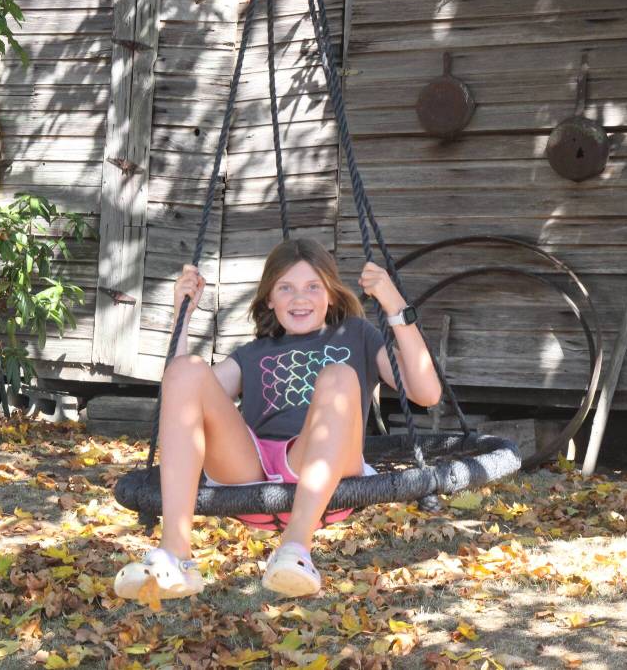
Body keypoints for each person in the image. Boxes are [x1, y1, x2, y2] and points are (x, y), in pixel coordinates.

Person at [114, 238, 442, 599]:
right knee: (185, 371)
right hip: (251, 470)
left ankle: (296, 550)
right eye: (285, 287)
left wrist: (395, 305)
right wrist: (182, 317)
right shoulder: (253, 353)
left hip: (323, 467)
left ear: (331, 294)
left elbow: (426, 392)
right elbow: (181, 398)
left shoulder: (357, 335)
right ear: (269, 297)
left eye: (312, 287)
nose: (299, 299)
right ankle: (176, 556)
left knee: (339, 375)